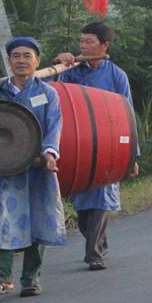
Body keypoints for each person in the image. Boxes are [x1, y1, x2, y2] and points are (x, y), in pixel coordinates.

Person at [0, 36, 67, 297]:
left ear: (37, 61)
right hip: (2, 171)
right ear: (9, 60)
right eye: (16, 56)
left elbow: (54, 128)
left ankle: (31, 279)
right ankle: (0, 278)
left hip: (35, 169)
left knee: (36, 223)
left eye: (27, 56)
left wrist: (49, 154)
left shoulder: (47, 93)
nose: (21, 61)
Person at [54, 22, 136, 270]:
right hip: (80, 149)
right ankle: (99, 242)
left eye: (89, 42)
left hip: (109, 147)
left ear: (104, 45)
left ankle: (94, 254)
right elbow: (55, 95)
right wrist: (60, 65)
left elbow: (128, 114)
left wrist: (132, 156)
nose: (83, 46)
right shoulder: (71, 72)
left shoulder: (116, 75)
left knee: (102, 198)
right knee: (82, 207)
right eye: (81, 42)